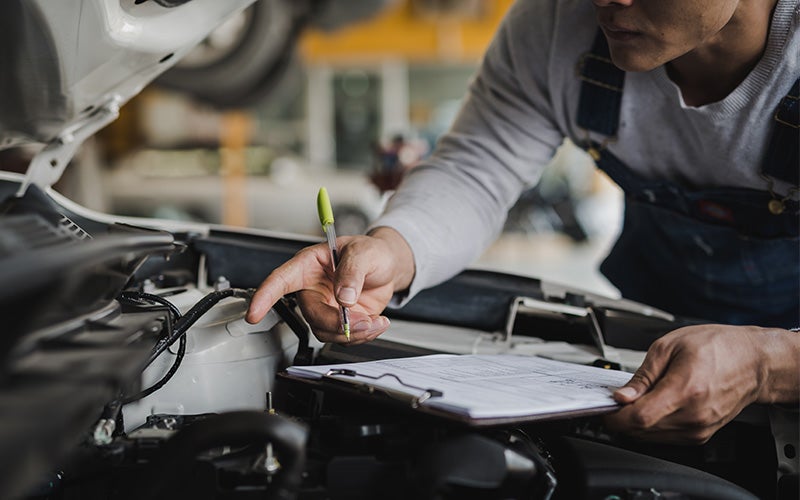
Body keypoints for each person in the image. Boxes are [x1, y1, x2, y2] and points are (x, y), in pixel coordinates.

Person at [247, 0, 800, 446]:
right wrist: (393, 250)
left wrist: (769, 364)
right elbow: (477, 168)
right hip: (648, 338)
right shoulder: (559, 22)